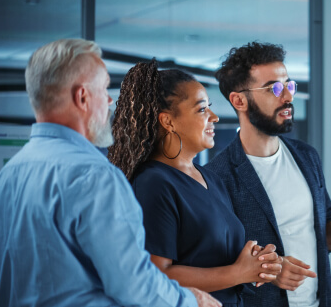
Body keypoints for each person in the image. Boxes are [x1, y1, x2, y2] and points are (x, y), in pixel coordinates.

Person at [0, 39, 221, 306]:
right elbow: (133, 284)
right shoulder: (95, 177)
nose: (108, 100)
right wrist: (190, 300)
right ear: (82, 97)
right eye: (104, 88)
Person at [206, 42, 331, 307]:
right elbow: (217, 261)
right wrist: (269, 270)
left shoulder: (307, 157)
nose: (287, 97)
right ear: (239, 100)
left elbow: (321, 230)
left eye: (289, 85)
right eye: (274, 87)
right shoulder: (216, 176)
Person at [107, 60, 284, 307]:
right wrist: (238, 273)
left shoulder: (211, 179)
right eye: (202, 110)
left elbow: (214, 256)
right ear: (168, 122)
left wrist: (258, 263)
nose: (214, 116)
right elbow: (156, 275)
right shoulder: (152, 184)